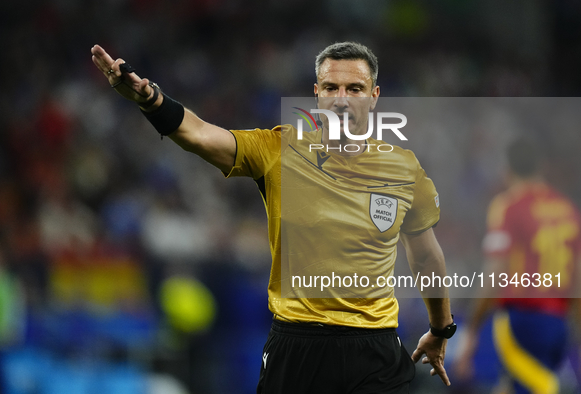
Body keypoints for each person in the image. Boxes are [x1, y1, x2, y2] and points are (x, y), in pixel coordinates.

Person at [91, 41, 454, 393]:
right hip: (298, 346)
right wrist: (151, 100)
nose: (342, 98)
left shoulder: (404, 169)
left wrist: (440, 329)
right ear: (317, 94)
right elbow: (200, 135)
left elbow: (424, 256)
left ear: (374, 97)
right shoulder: (278, 151)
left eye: (355, 88)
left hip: (377, 350)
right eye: (331, 87)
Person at [455, 138, 581, 394]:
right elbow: (577, 278)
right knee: (513, 386)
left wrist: (472, 329)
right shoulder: (568, 210)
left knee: (534, 387)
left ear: (506, 169)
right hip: (558, 321)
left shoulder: (509, 206)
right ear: (542, 167)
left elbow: (496, 272)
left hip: (521, 319)